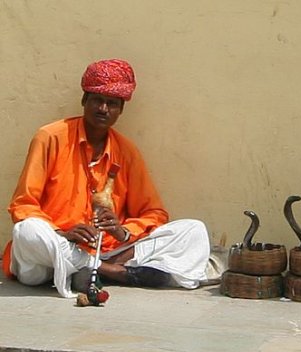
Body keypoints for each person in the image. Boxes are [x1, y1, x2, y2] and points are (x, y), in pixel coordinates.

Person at [3, 59, 218, 298]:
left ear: (120, 110)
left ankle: (93, 269)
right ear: (84, 100)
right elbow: (23, 205)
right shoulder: (50, 137)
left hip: (110, 250)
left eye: (112, 103)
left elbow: (155, 214)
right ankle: (109, 272)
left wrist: (122, 231)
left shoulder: (126, 151)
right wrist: (62, 233)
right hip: (53, 253)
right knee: (27, 231)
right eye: (97, 100)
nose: (103, 108)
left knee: (193, 230)